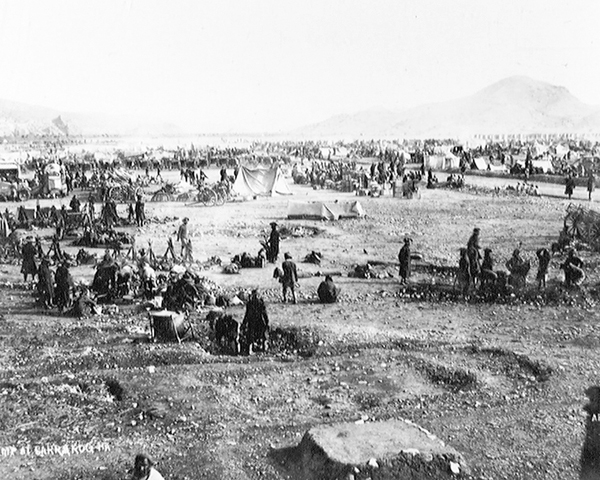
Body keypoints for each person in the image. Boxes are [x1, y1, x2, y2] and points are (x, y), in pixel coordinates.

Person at [241, 289, 269, 354]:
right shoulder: (260, 303)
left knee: (252, 335)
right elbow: (264, 313)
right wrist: (267, 321)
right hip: (257, 321)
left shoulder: (251, 303)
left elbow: (247, 314)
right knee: (261, 335)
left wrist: (244, 322)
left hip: (254, 321)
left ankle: (251, 350)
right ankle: (263, 348)